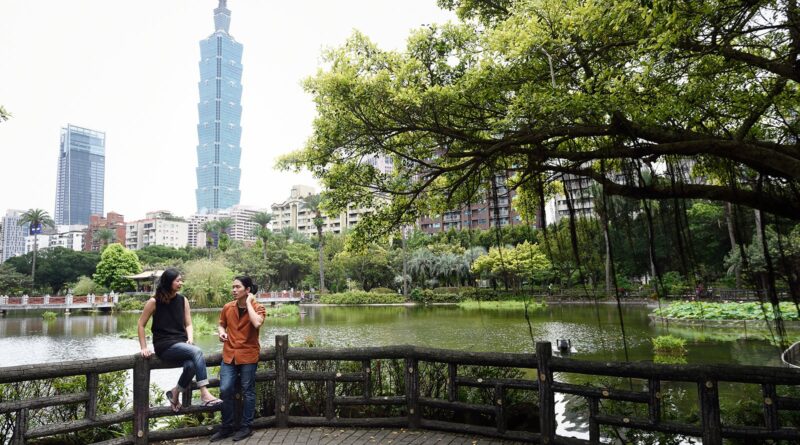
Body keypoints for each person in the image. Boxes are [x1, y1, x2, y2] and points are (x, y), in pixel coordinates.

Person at [137, 268, 221, 412]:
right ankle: (204, 393)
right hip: (164, 345)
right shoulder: (154, 301)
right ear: (168, 282)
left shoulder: (183, 300)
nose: (181, 283)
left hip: (181, 343)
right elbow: (140, 324)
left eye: (181, 280)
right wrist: (144, 347)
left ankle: (175, 392)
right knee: (198, 351)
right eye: (178, 280)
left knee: (191, 366)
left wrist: (190, 338)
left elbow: (188, 324)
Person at [210, 275, 266, 442]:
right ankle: (226, 427)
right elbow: (221, 324)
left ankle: (246, 427)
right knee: (225, 389)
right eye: (233, 287)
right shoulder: (228, 307)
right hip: (229, 354)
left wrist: (248, 303)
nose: (233, 290)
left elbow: (257, 324)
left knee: (248, 391)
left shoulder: (258, 307)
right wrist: (221, 332)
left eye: (237, 287)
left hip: (248, 354)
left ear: (247, 290)